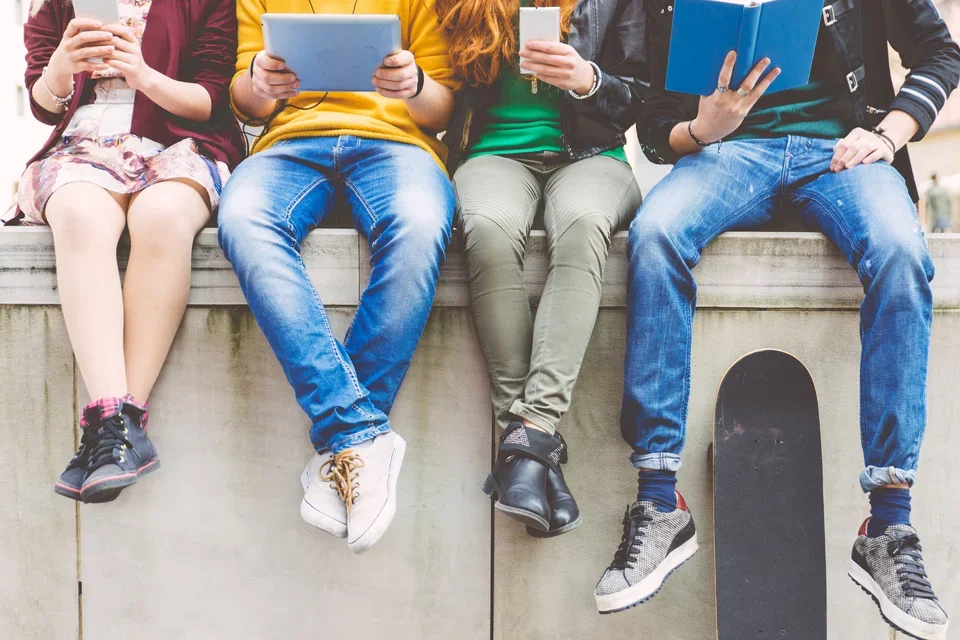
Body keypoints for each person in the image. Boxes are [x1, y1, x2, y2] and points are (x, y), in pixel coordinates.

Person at [594, 0, 960, 636]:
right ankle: (658, 504)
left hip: (845, 156)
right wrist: (704, 127)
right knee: (654, 237)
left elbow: (942, 53)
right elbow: (657, 130)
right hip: (729, 156)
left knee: (902, 254)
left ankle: (889, 525)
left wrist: (887, 134)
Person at [217, 0, 458, 554]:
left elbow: (442, 109)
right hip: (289, 145)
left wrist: (414, 84)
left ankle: (342, 446)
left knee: (420, 226)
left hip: (398, 146)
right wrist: (259, 82)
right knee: (244, 219)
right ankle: (360, 434)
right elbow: (245, 105)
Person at [9, 0, 245, 504]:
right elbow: (43, 103)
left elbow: (213, 98)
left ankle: (114, 429)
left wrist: (142, 75)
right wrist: (60, 67)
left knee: (161, 217)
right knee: (77, 215)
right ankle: (118, 427)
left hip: (180, 141)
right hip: (83, 147)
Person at [439, 0, 643, 537]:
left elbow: (641, 97)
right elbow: (440, 90)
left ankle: (529, 432)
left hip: (593, 156)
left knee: (581, 225)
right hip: (491, 153)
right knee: (484, 228)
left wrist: (587, 80)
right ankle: (531, 448)